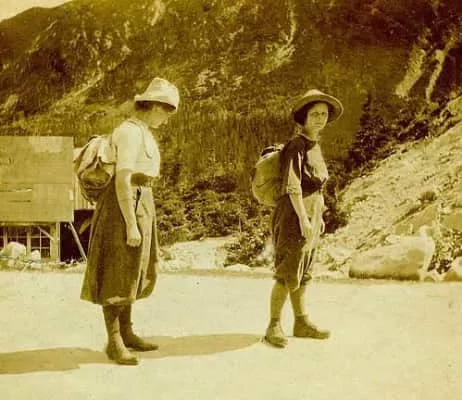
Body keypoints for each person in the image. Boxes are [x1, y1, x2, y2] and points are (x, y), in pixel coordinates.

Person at [80, 77, 179, 365]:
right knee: (118, 268)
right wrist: (131, 224)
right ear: (155, 107)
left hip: (141, 198)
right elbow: (123, 179)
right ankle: (114, 341)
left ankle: (126, 332)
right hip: (123, 204)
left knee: (133, 266)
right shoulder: (129, 133)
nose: (167, 118)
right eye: (167, 111)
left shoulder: (142, 132)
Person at [264, 89, 343, 348]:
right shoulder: (296, 146)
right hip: (294, 214)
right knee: (288, 269)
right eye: (314, 114)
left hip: (311, 211)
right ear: (304, 118)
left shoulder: (314, 145)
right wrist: (304, 219)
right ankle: (273, 325)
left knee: (304, 269)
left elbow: (317, 186)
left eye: (324, 114)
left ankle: (301, 322)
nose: (320, 118)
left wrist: (317, 217)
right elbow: (292, 185)